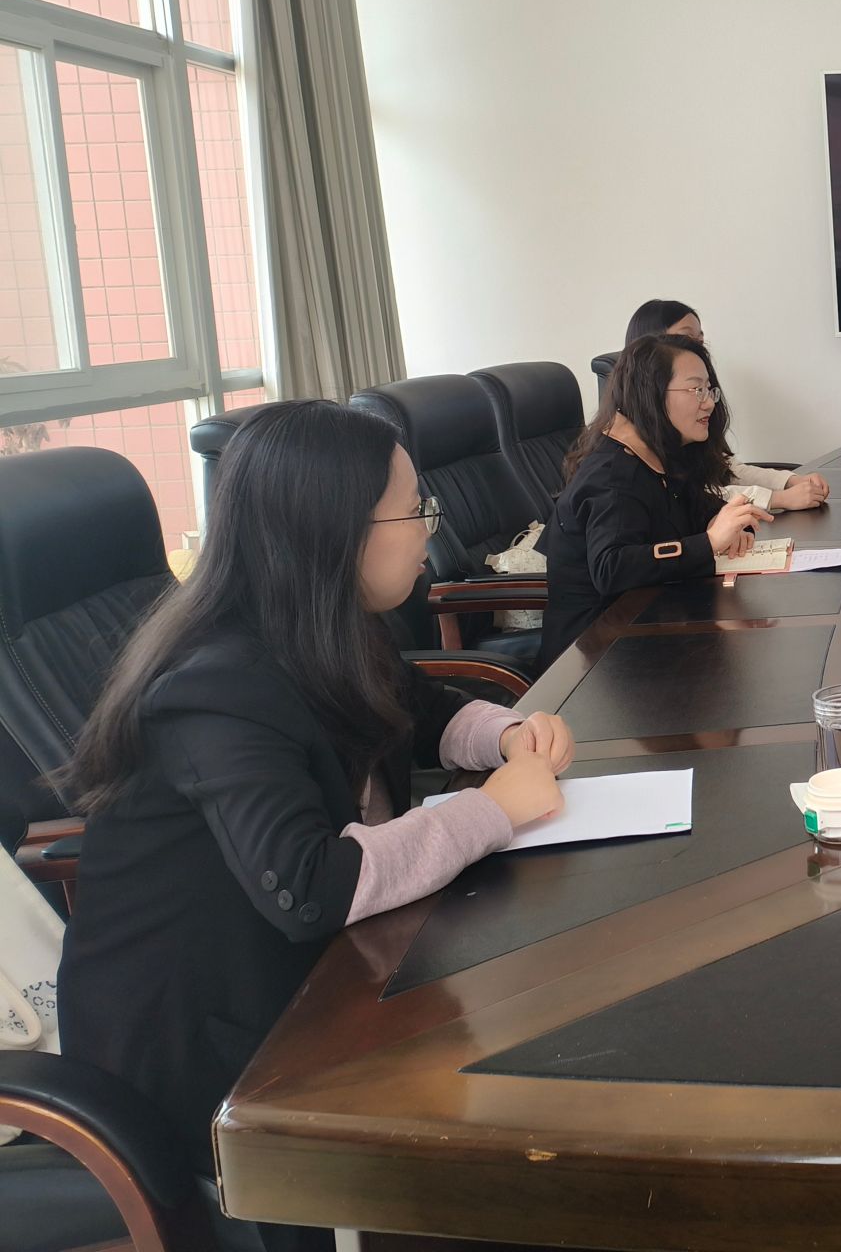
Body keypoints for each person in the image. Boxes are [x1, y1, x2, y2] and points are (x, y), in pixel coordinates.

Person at [55, 402, 574, 1245]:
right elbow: (309, 887)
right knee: (495, 1127)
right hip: (209, 1046)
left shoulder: (325, 624)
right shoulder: (215, 685)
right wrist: (491, 809)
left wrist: (508, 734)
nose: (430, 532)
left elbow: (417, 706)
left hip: (316, 978)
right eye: (414, 510)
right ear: (336, 531)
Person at [542, 334, 772, 665]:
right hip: (593, 659)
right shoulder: (613, 476)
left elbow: (692, 506)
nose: (709, 403)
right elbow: (611, 567)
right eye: (696, 390)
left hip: (646, 630)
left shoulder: (656, 452)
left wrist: (727, 520)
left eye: (709, 390)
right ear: (651, 393)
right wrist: (708, 542)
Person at [617, 298, 828, 512]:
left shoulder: (697, 402)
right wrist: (777, 498)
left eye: (700, 340)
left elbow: (723, 468)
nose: (709, 403)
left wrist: (788, 481)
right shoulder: (625, 457)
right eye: (686, 337)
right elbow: (694, 495)